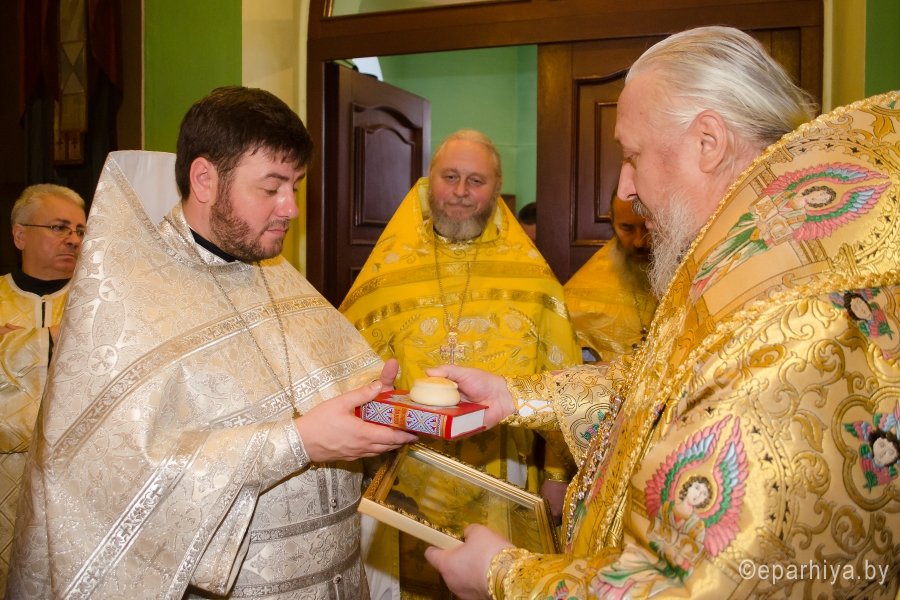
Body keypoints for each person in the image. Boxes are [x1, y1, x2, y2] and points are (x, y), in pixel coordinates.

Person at [423, 27, 900, 599]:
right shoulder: (765, 251)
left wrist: (502, 575)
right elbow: (665, 389)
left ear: (708, 142)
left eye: (632, 156)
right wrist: (516, 398)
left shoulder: (789, 315)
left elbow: (689, 586)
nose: (625, 188)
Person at [7, 86, 416, 599]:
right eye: (271, 188)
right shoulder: (128, 300)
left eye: (295, 185)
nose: (290, 208)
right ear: (204, 179)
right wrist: (297, 442)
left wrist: (381, 404)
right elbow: (108, 481)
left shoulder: (279, 275)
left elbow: (331, 385)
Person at [339, 129, 580, 597]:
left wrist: (557, 477)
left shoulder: (534, 281)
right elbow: (347, 368)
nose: (461, 192)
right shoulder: (386, 273)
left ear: (497, 188)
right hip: (407, 471)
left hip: (502, 472)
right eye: (450, 177)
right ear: (428, 182)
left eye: (476, 180)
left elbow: (561, 381)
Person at [0, 183, 86, 595]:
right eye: (59, 227)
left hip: (74, 489)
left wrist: (13, 348)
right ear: (20, 235)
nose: (73, 239)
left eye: (81, 230)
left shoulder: (99, 304)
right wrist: (53, 342)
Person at [564, 191, 656, 363]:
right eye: (627, 228)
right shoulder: (580, 296)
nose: (639, 242)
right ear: (612, 220)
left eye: (647, 227)